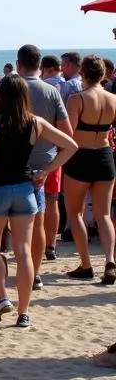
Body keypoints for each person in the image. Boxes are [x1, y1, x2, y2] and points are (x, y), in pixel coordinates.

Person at [0, 74, 76, 329]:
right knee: (23, 251)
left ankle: (1, 297)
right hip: (25, 188)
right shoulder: (35, 122)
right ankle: (24, 312)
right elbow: (70, 145)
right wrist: (46, 170)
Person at [15, 45, 73, 279]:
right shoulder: (52, 91)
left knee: (16, 223)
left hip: (16, 164)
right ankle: (38, 268)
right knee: (46, 210)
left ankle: (24, 268)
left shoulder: (12, 89)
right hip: (46, 163)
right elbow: (67, 132)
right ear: (40, 66)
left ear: (19, 65)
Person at [63, 55, 116, 283]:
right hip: (105, 156)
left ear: (83, 73)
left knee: (75, 213)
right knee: (104, 214)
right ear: (103, 74)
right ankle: (110, 260)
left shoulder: (77, 99)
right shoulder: (113, 98)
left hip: (80, 156)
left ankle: (85, 264)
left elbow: (69, 134)